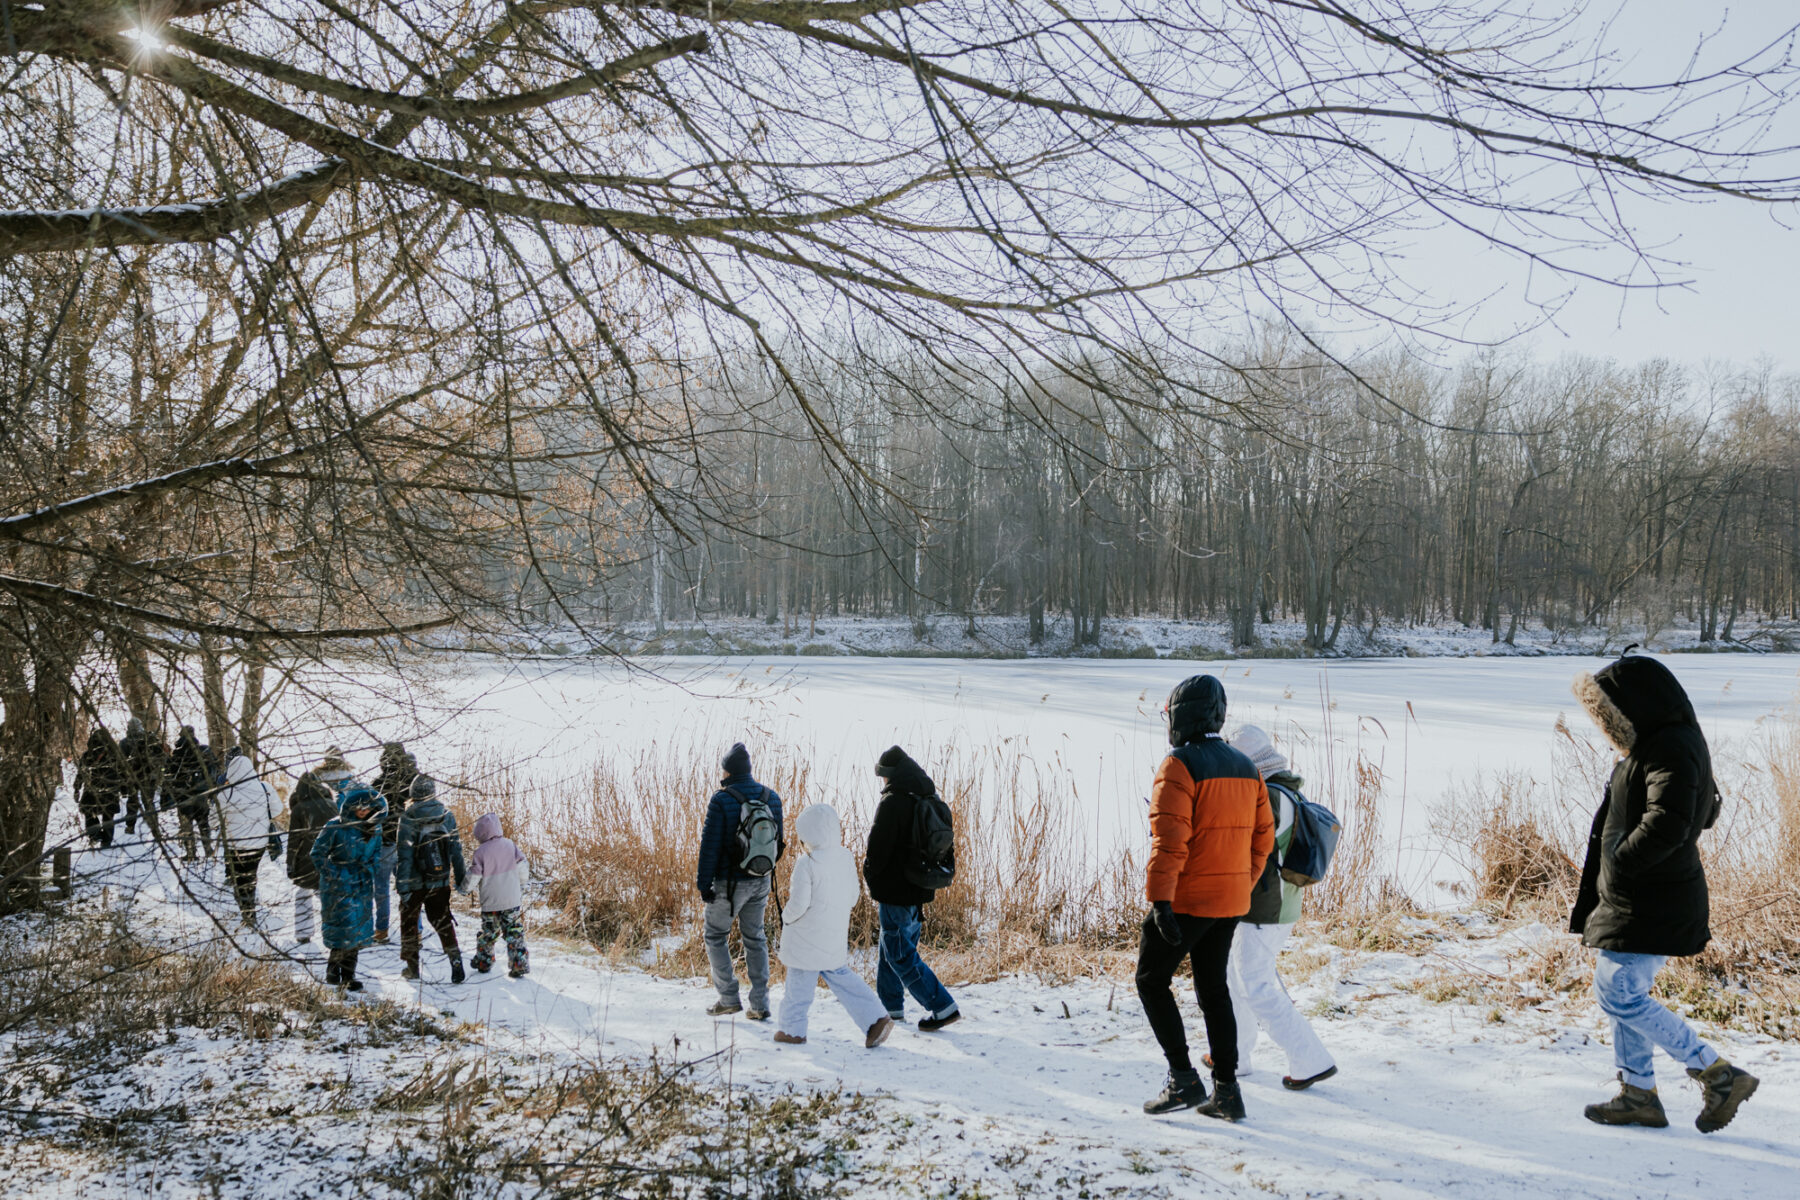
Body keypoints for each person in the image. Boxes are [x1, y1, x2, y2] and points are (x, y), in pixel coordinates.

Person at [1571, 652, 1759, 1133]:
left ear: (1635, 707)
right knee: (1622, 991)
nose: (1605, 727)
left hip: (1650, 897)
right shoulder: (1660, 744)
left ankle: (1718, 1074)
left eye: (1608, 716)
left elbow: (1670, 820)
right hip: (1637, 897)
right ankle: (1638, 1094)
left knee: (1618, 993)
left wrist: (1622, 861)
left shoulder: (1670, 747)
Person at [1137, 674, 1274, 1123]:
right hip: (1229, 902)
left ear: (1180, 716)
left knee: (1150, 979)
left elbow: (1169, 841)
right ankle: (1227, 1093)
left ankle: (1183, 1078)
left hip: (1186, 899)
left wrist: (1161, 902)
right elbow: (1263, 839)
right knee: (1214, 989)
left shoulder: (1178, 765)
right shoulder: (1247, 767)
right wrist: (1240, 884)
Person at [1218, 725, 1336, 1090]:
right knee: (1235, 978)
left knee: (1255, 985)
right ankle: (1234, 1055)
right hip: (1272, 904)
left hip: (1266, 909)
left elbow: (1240, 843)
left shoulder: (1268, 796)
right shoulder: (1284, 790)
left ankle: (1310, 1059)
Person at [774, 803, 894, 1049]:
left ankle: (792, 1030)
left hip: (805, 936)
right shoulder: (845, 857)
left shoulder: (807, 863)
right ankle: (875, 1018)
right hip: (833, 931)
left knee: (799, 982)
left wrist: (786, 917)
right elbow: (853, 897)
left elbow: (799, 904)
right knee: (839, 974)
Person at [863, 745, 960, 1031]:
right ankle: (890, 1010)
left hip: (895, 892)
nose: (882, 781)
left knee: (900, 955)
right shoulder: (929, 798)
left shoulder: (893, 802)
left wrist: (870, 875)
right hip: (919, 890)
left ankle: (942, 1006)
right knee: (890, 950)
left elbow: (877, 850)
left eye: (883, 775)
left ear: (890, 774)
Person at [696, 742, 784, 1019]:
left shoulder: (721, 800)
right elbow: (779, 844)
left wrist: (703, 884)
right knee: (755, 938)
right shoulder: (771, 797)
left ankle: (728, 998)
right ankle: (760, 1005)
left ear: (728, 771)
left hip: (729, 884)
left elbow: (709, 847)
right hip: (761, 879)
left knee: (715, 935)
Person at [310, 783, 386, 991]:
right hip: (338, 887)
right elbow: (317, 854)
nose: (363, 810)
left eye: (367, 806)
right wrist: (335, 874)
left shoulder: (375, 827)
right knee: (341, 930)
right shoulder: (335, 826)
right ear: (351, 805)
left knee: (357, 931)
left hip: (362, 884)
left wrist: (370, 868)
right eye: (359, 806)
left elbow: (377, 852)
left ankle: (349, 976)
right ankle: (333, 973)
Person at [394, 775, 467, 983]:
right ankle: (455, 959)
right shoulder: (446, 815)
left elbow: (404, 856)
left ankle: (412, 967)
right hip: (440, 879)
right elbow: (456, 851)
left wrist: (402, 886)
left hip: (414, 883)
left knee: (409, 922)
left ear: (413, 794)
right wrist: (460, 879)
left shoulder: (408, 817)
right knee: (442, 920)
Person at [212, 749, 281, 926]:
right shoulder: (265, 788)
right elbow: (277, 810)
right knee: (250, 876)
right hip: (259, 843)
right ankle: (248, 909)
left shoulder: (226, 793)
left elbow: (212, 821)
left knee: (239, 880)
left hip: (235, 845)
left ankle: (248, 913)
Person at [465, 812, 530, 978]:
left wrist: (464, 888)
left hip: (491, 902)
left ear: (480, 833)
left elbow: (474, 876)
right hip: (511, 900)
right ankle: (519, 963)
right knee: (514, 932)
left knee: (489, 933)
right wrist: (522, 883)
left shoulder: (480, 852)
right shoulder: (510, 845)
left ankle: (484, 962)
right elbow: (522, 868)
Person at [286, 769, 339, 946]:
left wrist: (290, 864)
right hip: (329, 858)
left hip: (306, 861)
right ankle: (336, 927)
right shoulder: (332, 806)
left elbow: (294, 840)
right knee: (327, 894)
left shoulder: (299, 809)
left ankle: (304, 933)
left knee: (303, 895)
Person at [370, 742, 416, 945]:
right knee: (408, 890)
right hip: (407, 843)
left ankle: (381, 931)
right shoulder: (413, 783)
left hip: (385, 842)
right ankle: (415, 931)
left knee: (381, 890)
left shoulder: (377, 784)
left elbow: (370, 816)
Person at [166, 726, 218, 860]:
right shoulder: (204, 750)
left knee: (186, 825)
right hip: (201, 793)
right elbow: (214, 770)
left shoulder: (178, 753)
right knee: (203, 822)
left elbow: (170, 773)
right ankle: (208, 850)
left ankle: (190, 854)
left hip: (183, 794)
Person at [75, 725, 125, 849]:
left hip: (92, 792)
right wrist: (124, 789)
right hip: (110, 791)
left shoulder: (88, 755)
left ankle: (96, 835)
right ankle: (106, 841)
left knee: (90, 813)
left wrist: (77, 788)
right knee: (108, 817)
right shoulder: (115, 755)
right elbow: (123, 774)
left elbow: (81, 774)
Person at [119, 717, 165, 839]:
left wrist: (123, 783)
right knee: (148, 802)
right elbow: (161, 757)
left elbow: (121, 764)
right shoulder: (150, 739)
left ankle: (130, 827)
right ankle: (155, 828)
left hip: (133, 777)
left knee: (132, 802)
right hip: (149, 777)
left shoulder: (125, 742)